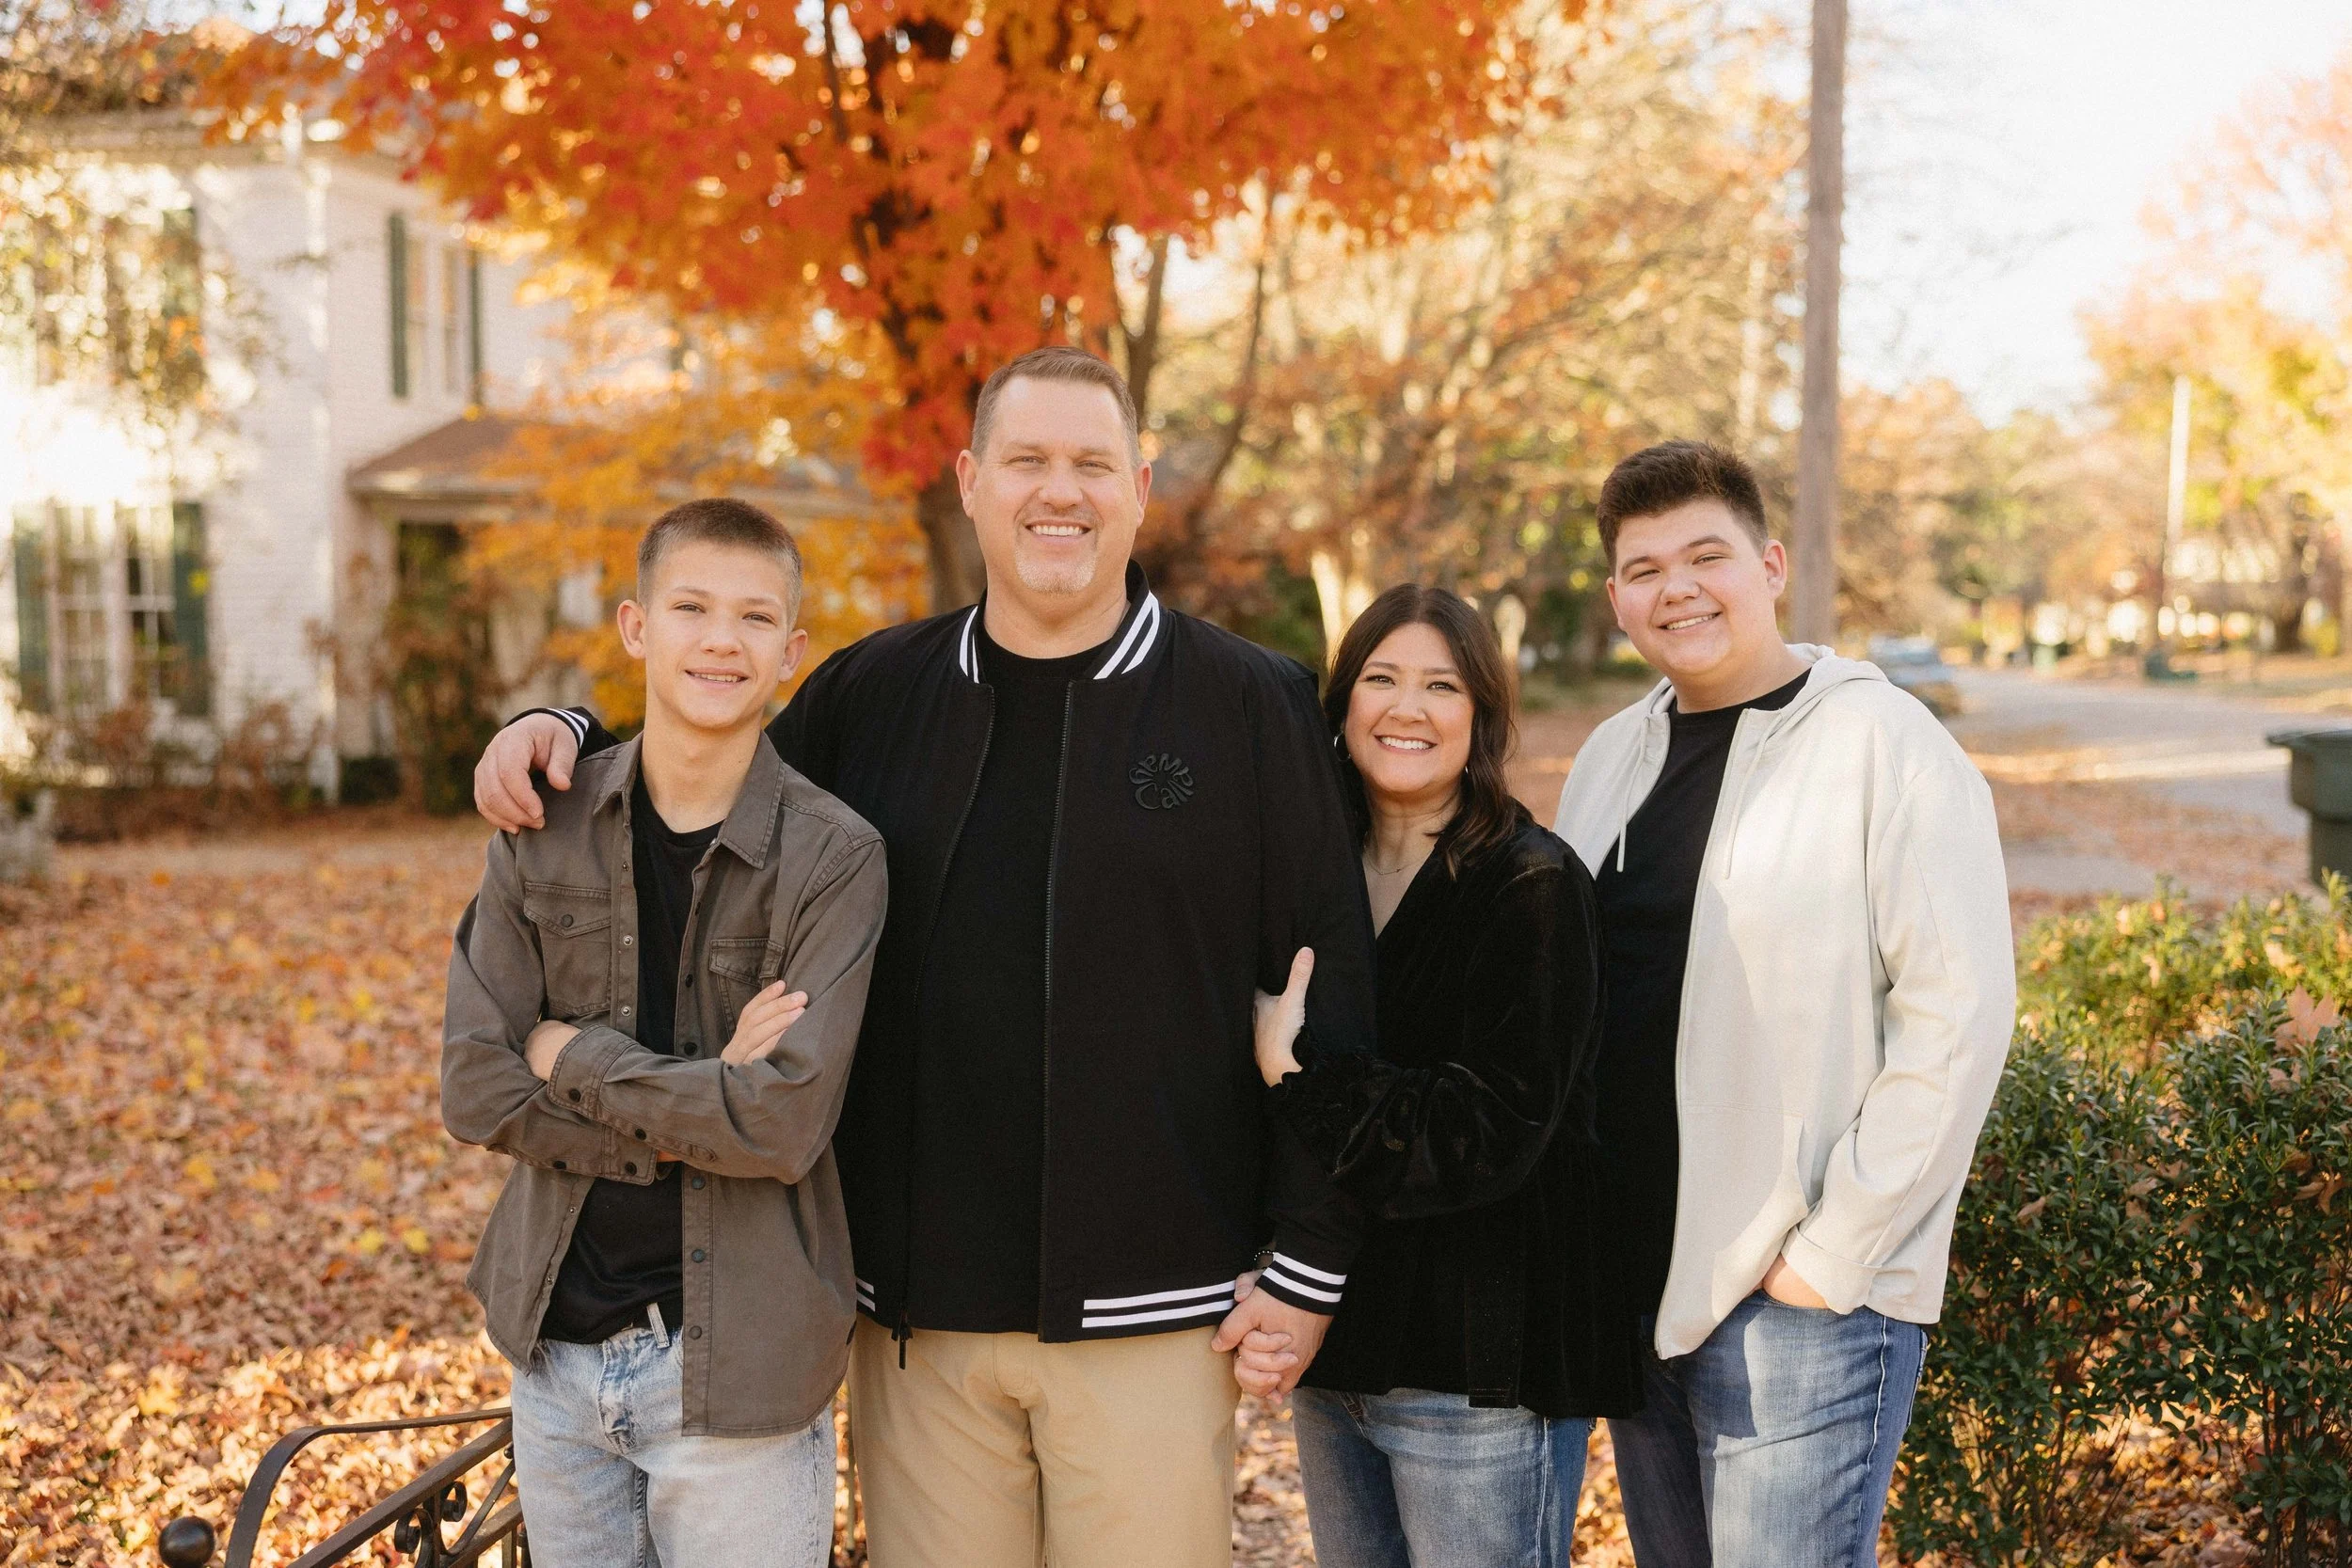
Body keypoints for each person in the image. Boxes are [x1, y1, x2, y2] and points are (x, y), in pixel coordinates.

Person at [469, 347, 1376, 1568]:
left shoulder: (1250, 701)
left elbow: (1331, 988)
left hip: (1157, 1307)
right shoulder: (874, 692)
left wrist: (1310, 1254)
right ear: (970, 480)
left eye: (1092, 464)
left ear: (1140, 485)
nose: (1060, 492)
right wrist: (567, 730)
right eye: (1029, 461)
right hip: (912, 1316)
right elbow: (701, 781)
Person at [1551, 441, 2014, 1568]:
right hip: (1639, 1276)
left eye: (1704, 555)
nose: (1678, 588)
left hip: (1800, 1299)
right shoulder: (1611, 756)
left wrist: (1833, 1251)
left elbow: (1958, 1015)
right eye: (1645, 568)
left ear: (1766, 565)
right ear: (1617, 599)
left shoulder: (1883, 742)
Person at [440, 499, 888, 1568]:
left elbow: (780, 1124)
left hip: (739, 1369)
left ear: (791, 650)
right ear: (639, 627)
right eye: (691, 606)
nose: (719, 639)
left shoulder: (835, 856)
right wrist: (700, 1089)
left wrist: (574, 1056)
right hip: (556, 1355)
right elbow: (474, 1085)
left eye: (752, 616)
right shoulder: (540, 827)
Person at [1241, 585, 1643, 1568]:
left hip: (1476, 1363)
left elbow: (1485, 1130)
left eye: (1440, 684)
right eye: (1379, 678)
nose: (1406, 708)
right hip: (1336, 1345)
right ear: (1341, 706)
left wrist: (1298, 1075)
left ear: (1482, 716)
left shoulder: (1529, 884)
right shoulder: (1305, 872)